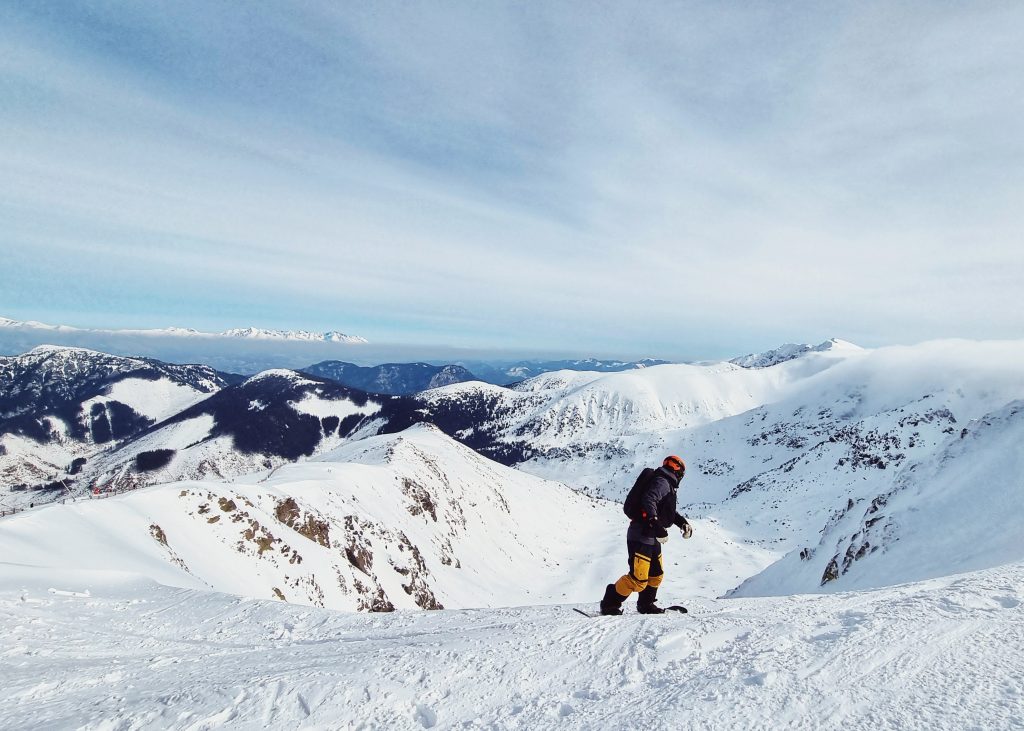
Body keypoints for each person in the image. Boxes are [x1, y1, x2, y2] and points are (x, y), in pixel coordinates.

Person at [599, 455, 693, 615]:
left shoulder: (666, 483)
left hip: (652, 536)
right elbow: (648, 501)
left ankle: (646, 604)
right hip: (641, 534)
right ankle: (609, 603)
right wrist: (657, 526)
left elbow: (666, 511)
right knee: (638, 579)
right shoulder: (663, 482)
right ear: (679, 472)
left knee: (656, 575)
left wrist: (682, 522)